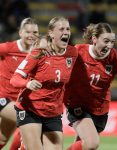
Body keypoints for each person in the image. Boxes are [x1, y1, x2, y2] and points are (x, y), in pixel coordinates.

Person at [64, 23, 117, 150]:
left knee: (84, 145)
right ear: (94, 39)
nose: (109, 46)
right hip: (78, 105)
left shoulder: (115, 57)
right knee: (92, 143)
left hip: (100, 108)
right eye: (106, 41)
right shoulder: (79, 51)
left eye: (112, 42)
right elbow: (60, 71)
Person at [10, 16, 78, 150]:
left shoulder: (72, 53)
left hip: (53, 112)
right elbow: (15, 78)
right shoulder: (39, 52)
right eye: (61, 29)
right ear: (51, 33)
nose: (66, 32)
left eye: (68, 29)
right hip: (30, 108)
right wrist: (27, 84)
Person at [0, 17, 39, 149]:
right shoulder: (7, 48)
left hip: (19, 102)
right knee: (28, 125)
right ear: (20, 33)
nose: (31, 35)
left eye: (35, 32)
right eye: (28, 32)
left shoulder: (39, 53)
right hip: (3, 98)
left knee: (2, 139)